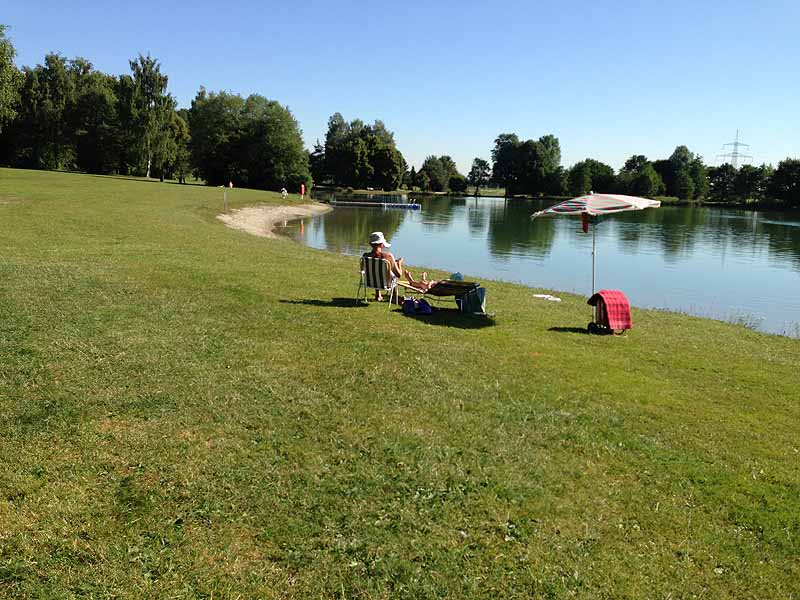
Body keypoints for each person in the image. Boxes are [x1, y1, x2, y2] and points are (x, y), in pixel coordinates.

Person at [363, 231, 406, 301]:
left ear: (370, 244)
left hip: (371, 282)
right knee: (393, 275)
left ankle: (378, 295)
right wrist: (399, 264)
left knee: (375, 271)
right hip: (386, 283)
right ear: (382, 244)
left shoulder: (365, 256)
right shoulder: (388, 256)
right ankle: (395, 296)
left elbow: (363, 269)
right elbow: (398, 275)